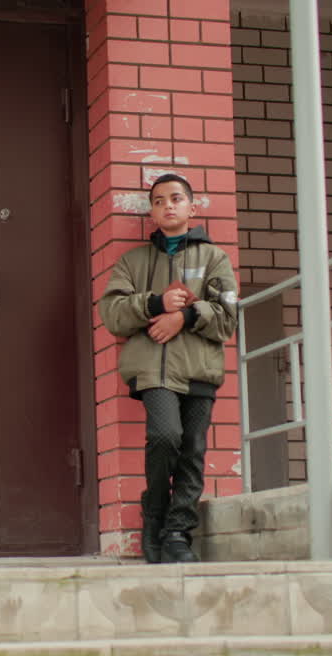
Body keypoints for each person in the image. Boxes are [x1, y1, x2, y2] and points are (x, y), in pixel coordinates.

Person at [98, 173, 238, 563]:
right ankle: (155, 512)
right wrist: (157, 304)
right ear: (152, 212)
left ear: (192, 208)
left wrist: (187, 315)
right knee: (164, 437)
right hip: (155, 373)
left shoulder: (215, 258)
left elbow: (228, 318)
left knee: (192, 450)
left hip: (199, 371)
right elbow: (111, 313)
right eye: (159, 201)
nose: (168, 205)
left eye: (176, 198)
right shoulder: (133, 262)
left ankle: (177, 532)